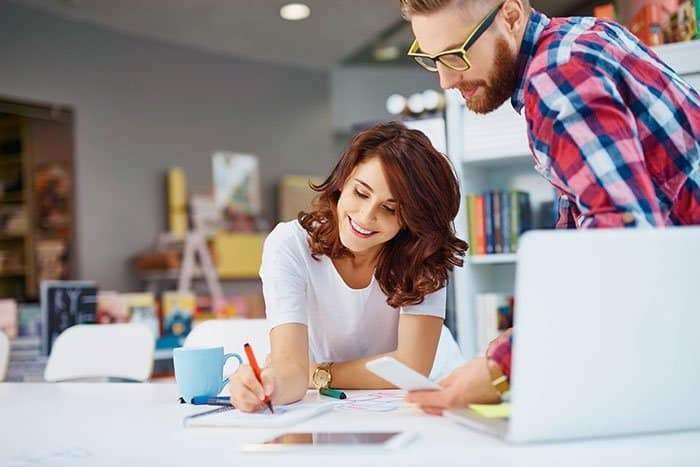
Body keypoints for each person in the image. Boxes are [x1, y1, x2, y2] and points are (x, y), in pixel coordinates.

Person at [400, 0, 700, 413]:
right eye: (433, 59)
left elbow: (626, 244)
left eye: (457, 53)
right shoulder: (580, 39)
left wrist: (502, 367)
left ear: (510, 14)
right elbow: (583, 235)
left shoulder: (558, 76)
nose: (447, 80)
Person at [228, 121, 468, 412]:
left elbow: (412, 367)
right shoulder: (289, 245)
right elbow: (291, 368)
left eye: (390, 209)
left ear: (412, 219)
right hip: (332, 403)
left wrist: (318, 373)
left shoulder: (423, 255)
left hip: (416, 402)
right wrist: (269, 385)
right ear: (344, 179)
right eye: (361, 193)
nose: (365, 217)